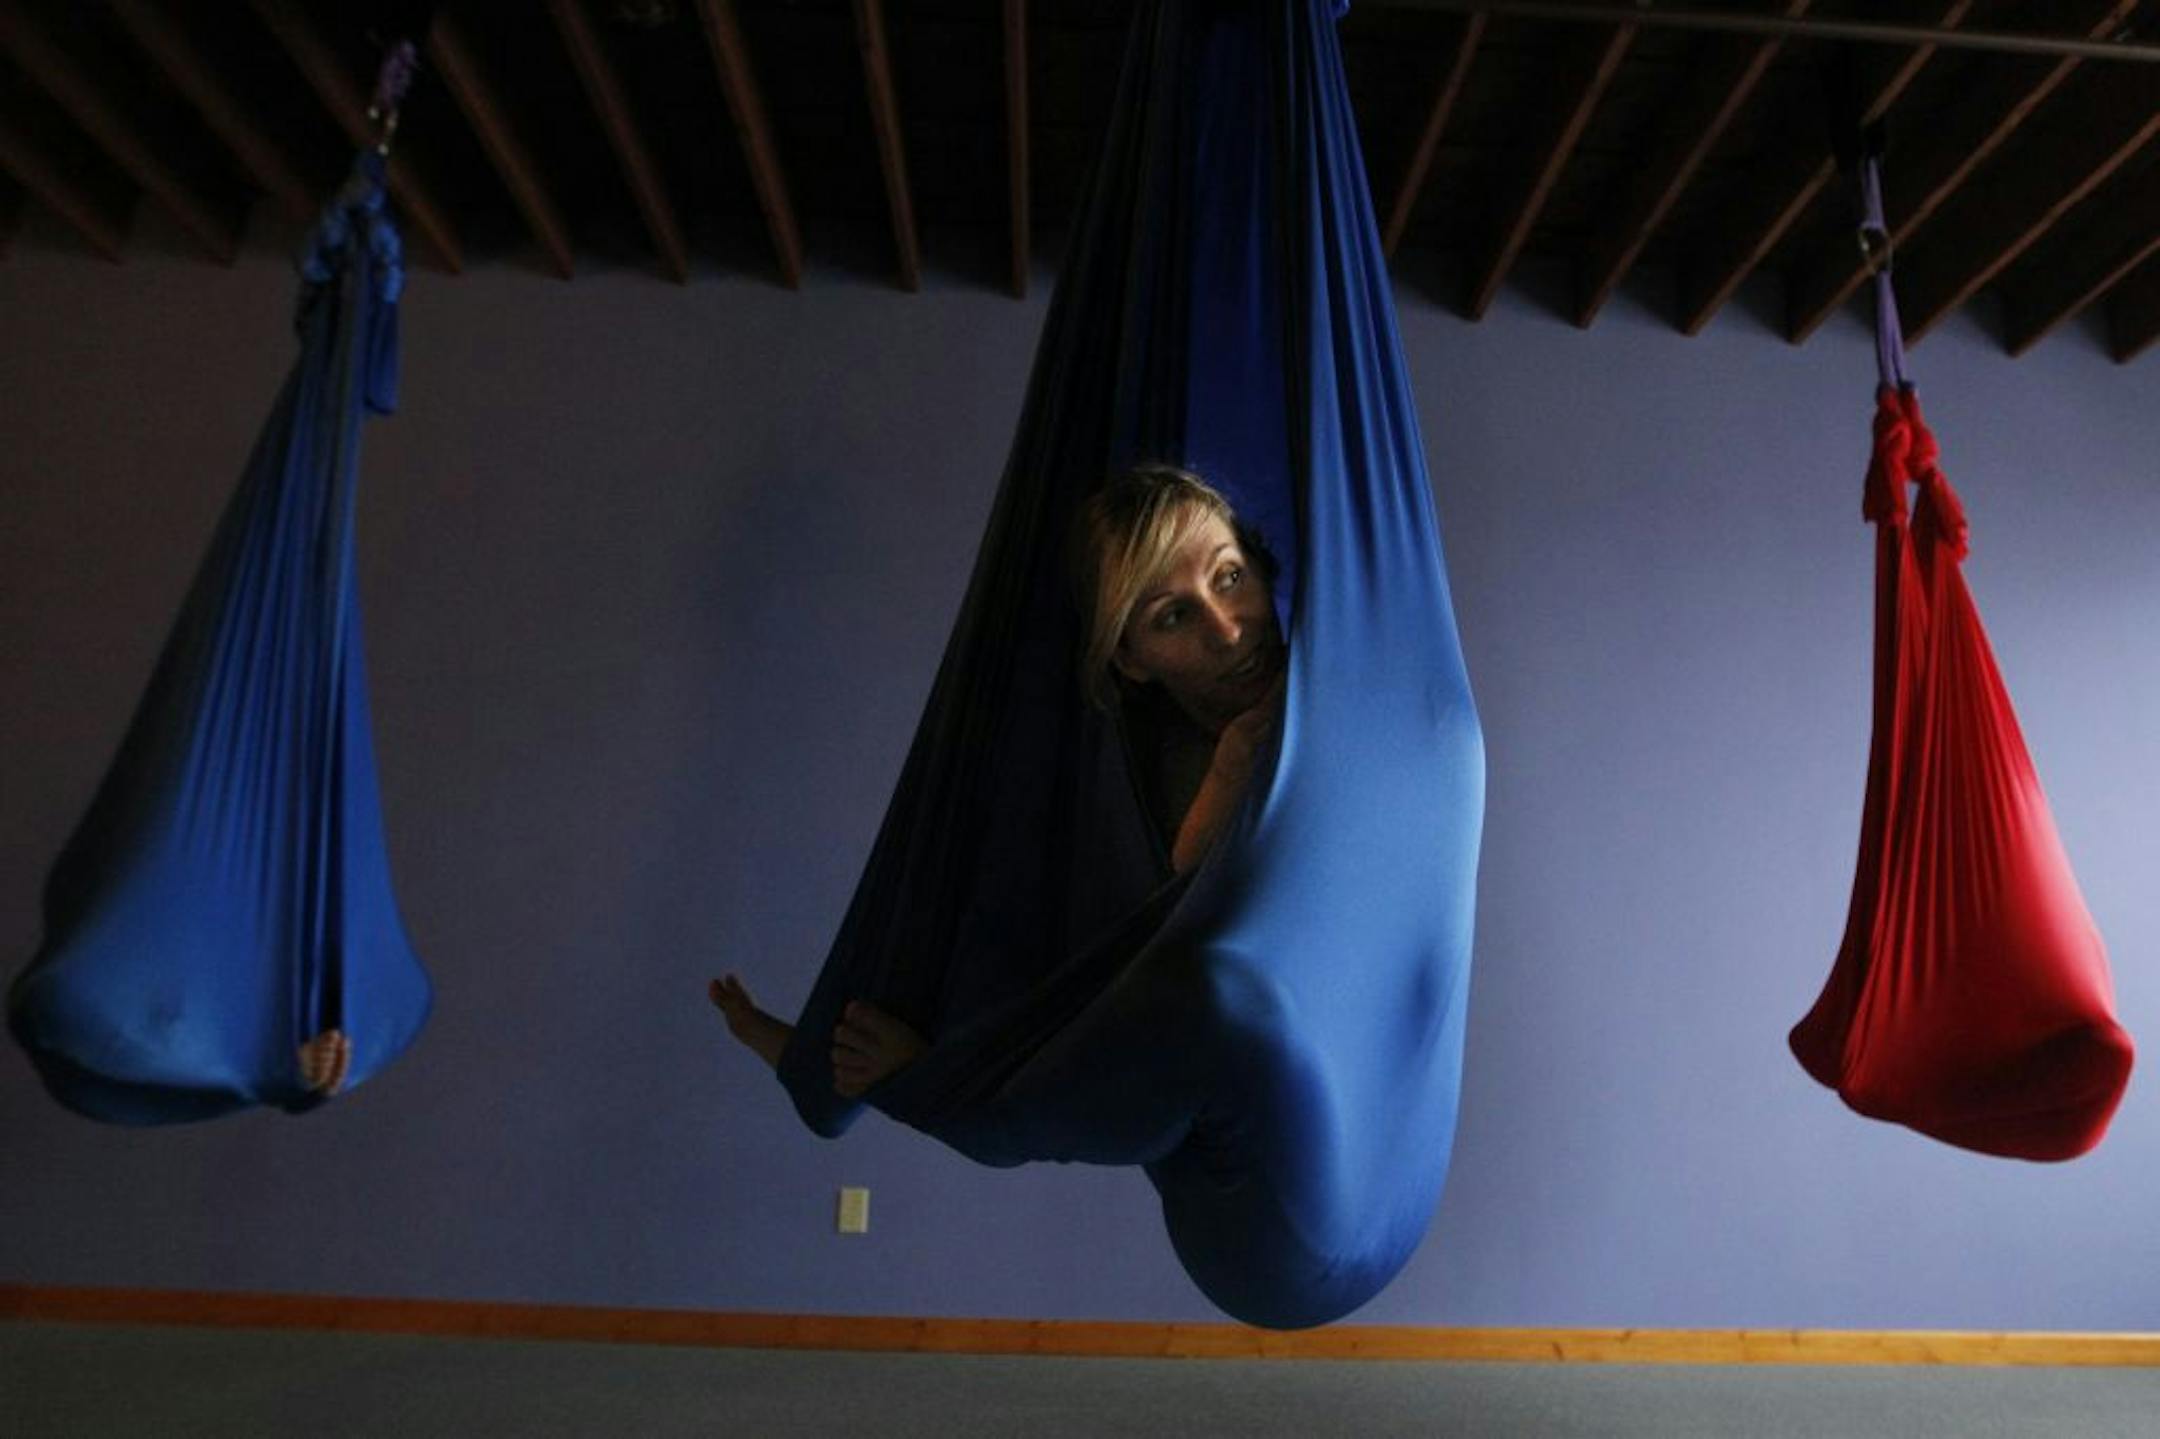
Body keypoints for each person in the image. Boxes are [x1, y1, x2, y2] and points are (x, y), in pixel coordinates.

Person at [710, 462, 1286, 1096]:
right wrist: (1231, 766)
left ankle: (883, 1079)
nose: (1227, 630)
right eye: (1172, 617)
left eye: (1230, 577)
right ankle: (884, 1078)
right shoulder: (1137, 778)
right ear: (1130, 659)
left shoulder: (1340, 657)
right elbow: (1186, 902)